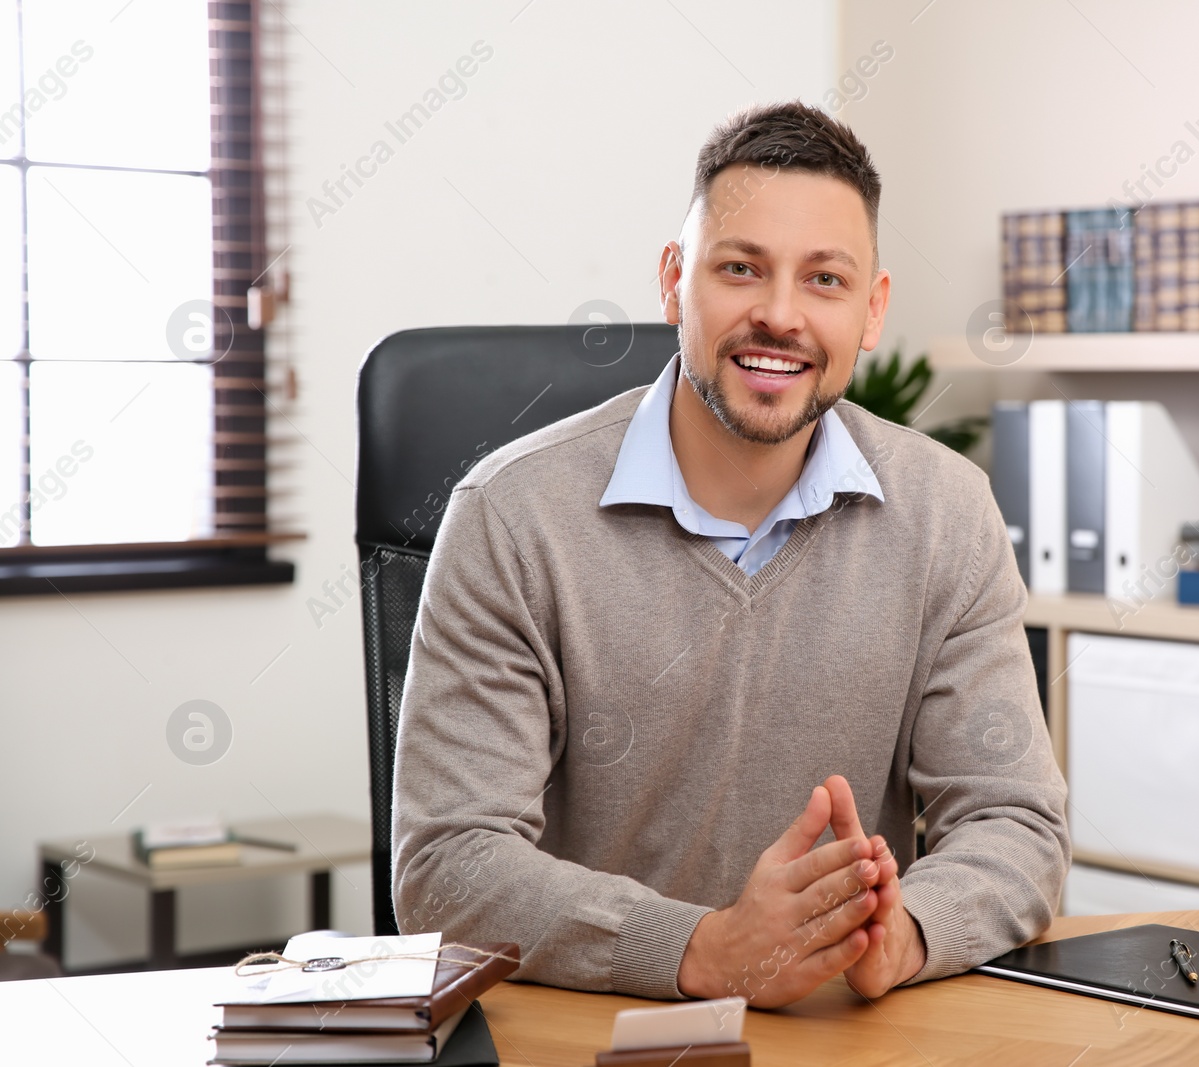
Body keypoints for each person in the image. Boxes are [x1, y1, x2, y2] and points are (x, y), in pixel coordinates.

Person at [391, 100, 1069, 1008]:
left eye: (825, 280)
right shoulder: (512, 516)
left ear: (872, 311)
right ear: (675, 280)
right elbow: (448, 864)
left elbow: (1015, 818)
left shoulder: (945, 509)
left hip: (844, 1032)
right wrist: (703, 949)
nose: (780, 315)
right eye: (741, 269)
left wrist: (901, 935)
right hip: (590, 1032)